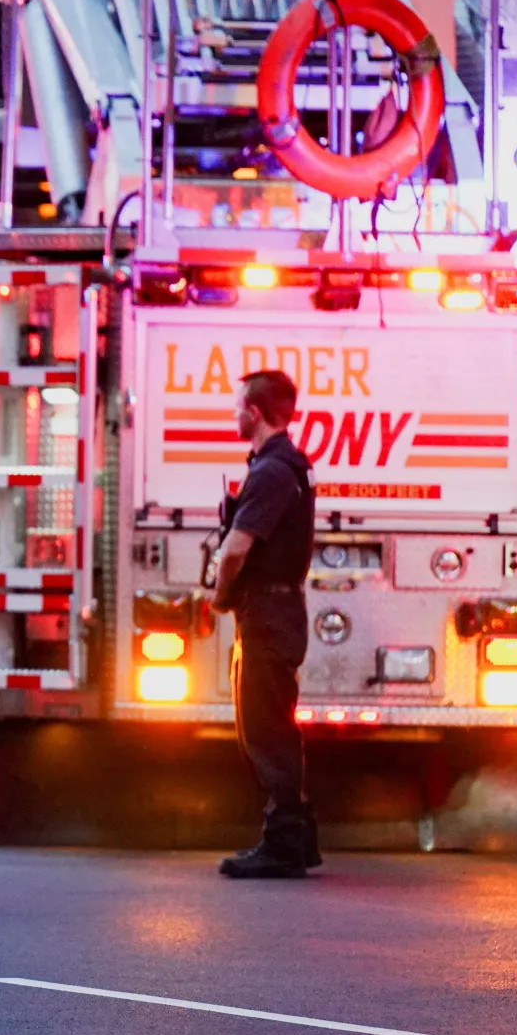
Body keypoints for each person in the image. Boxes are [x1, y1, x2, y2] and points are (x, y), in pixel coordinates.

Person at [208, 369, 320, 879]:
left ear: (254, 412)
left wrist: (220, 594)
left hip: (267, 613)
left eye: (238, 407)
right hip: (277, 611)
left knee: (265, 728)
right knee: (276, 724)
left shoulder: (274, 470)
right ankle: (298, 841)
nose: (235, 415)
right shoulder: (286, 466)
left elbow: (236, 548)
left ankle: (282, 844)